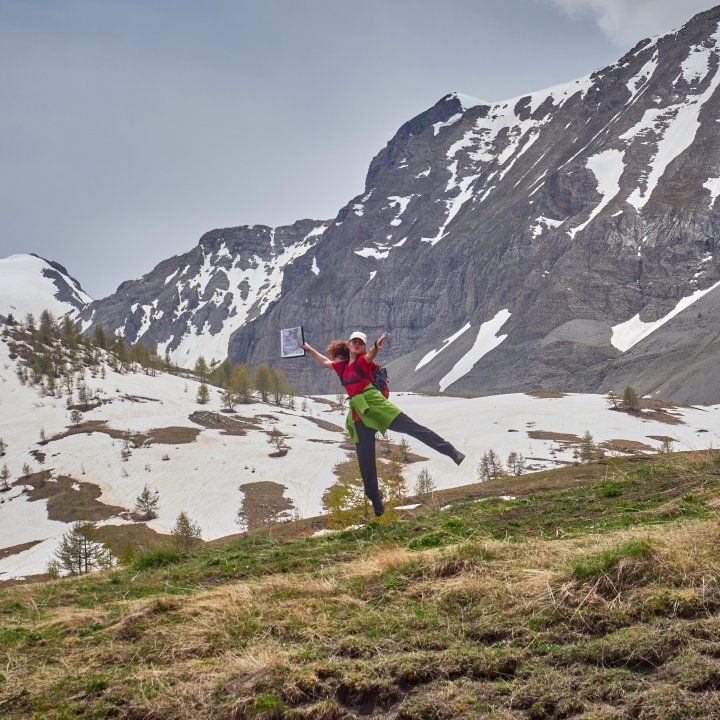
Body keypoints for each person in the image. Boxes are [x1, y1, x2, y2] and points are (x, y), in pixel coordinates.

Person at [303, 330, 465, 517]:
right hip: (358, 412)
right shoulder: (341, 367)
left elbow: (371, 355)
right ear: (349, 345)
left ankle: (451, 451)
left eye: (360, 343)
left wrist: (376, 347)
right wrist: (308, 348)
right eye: (354, 342)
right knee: (365, 462)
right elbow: (324, 362)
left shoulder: (364, 361)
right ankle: (375, 499)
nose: (357, 345)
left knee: (413, 428)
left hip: (375, 405)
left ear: (363, 348)